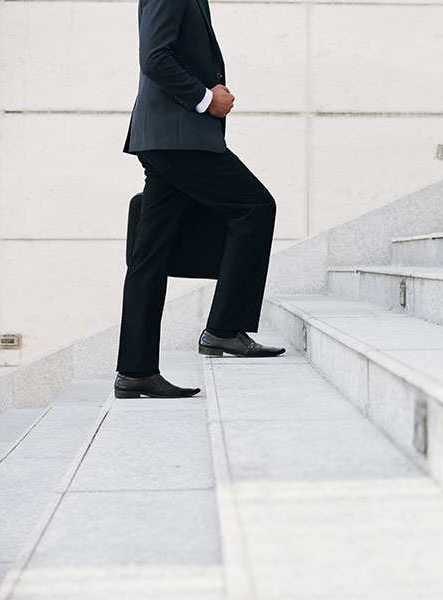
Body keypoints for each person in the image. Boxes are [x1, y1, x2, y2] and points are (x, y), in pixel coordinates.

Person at [114, 0, 285, 400]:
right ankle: (224, 329)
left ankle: (135, 371)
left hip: (167, 138)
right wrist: (207, 99)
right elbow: (154, 57)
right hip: (178, 139)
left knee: (149, 255)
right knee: (255, 206)